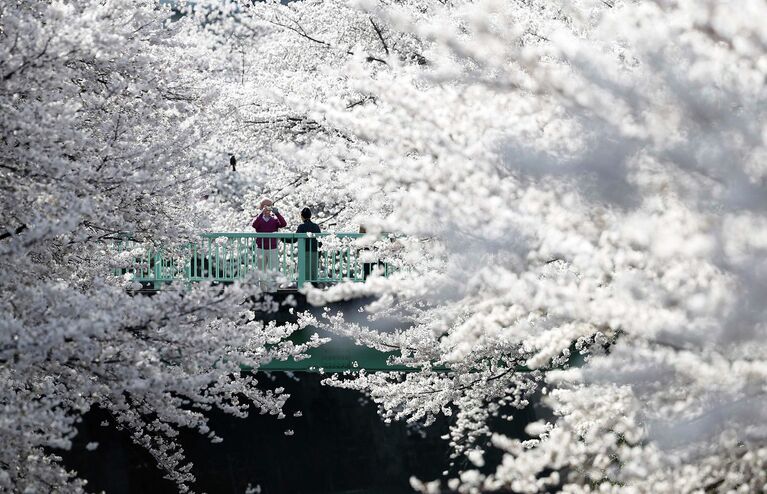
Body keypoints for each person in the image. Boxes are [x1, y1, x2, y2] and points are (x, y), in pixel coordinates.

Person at [286, 207, 321, 287]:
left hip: (304, 252)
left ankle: (302, 288)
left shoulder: (301, 227)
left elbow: (294, 240)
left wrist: (282, 239)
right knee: (313, 272)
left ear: (302, 216)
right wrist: (319, 253)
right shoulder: (316, 227)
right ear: (310, 215)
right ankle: (314, 288)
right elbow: (320, 241)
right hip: (315, 251)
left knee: (303, 271)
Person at [251, 198, 287, 274]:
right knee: (261, 272)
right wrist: (261, 213)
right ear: (261, 208)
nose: (267, 208)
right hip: (261, 248)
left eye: (269, 206)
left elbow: (283, 224)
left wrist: (277, 213)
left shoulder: (274, 219)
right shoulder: (259, 218)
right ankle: (262, 286)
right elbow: (254, 225)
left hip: (273, 248)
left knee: (273, 271)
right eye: (265, 206)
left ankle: (272, 286)